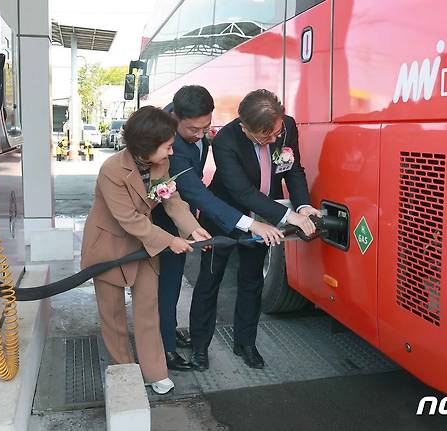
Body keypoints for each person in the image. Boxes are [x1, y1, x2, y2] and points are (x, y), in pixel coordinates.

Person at [80, 106, 211, 394]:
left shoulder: (160, 165)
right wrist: (170, 240)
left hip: (144, 246)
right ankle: (125, 370)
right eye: (167, 146)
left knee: (148, 308)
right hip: (108, 245)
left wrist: (191, 228)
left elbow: (172, 199)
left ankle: (155, 372)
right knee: (112, 313)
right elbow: (129, 219)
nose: (172, 152)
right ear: (145, 146)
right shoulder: (111, 171)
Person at [152, 86, 283, 371]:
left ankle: (243, 342)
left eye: (206, 128)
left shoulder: (201, 132)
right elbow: (197, 193)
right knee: (195, 284)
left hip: (227, 218)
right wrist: (245, 224)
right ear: (175, 118)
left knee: (251, 282)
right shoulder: (170, 143)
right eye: (194, 130)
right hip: (194, 219)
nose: (201, 135)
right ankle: (186, 348)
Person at [189, 89, 322, 371]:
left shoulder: (285, 127)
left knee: (252, 282)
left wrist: (304, 207)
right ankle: (200, 346)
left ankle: (246, 343)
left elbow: (293, 169)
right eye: (266, 137)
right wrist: (288, 216)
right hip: (225, 217)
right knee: (209, 282)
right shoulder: (225, 140)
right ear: (244, 127)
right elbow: (242, 192)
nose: (274, 139)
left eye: (276, 133)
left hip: (264, 216)